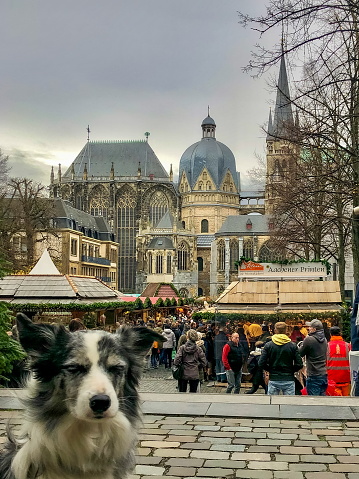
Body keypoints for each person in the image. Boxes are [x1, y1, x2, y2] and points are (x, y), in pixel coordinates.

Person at [258, 322, 303, 395]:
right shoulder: (292, 346)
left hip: (273, 378)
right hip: (288, 378)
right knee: (288, 404)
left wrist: (270, 370)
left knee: (272, 403)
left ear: (275, 330)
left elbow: (261, 363)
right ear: (286, 331)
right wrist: (291, 370)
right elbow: (299, 364)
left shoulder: (269, 345)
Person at [299, 319, 328, 395]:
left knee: (314, 400)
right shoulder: (324, 339)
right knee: (322, 399)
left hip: (313, 374)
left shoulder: (309, 339)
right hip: (323, 374)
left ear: (314, 329)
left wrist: (305, 339)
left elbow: (300, 353)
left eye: (310, 327)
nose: (308, 329)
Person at [327, 326, 351, 396]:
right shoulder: (348, 346)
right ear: (340, 333)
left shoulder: (327, 346)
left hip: (332, 380)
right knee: (347, 402)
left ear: (330, 334)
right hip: (346, 378)